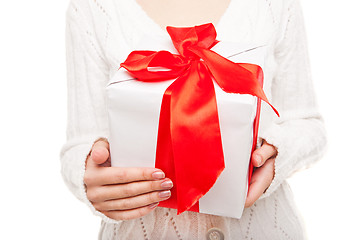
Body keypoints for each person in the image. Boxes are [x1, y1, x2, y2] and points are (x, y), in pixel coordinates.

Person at [60, 0, 327, 239]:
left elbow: (307, 123)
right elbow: (80, 143)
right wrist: (90, 178)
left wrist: (275, 157)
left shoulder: (276, 5)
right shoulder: (92, 8)